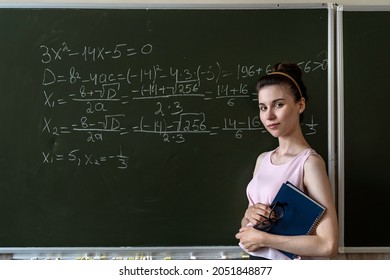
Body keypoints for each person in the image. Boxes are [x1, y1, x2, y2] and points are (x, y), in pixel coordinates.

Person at [235, 63, 338, 260]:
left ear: (300, 105)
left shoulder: (309, 163)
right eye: (263, 107)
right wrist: (249, 214)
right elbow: (246, 227)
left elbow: (328, 244)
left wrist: (265, 239)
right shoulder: (263, 160)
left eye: (278, 104)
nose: (269, 115)